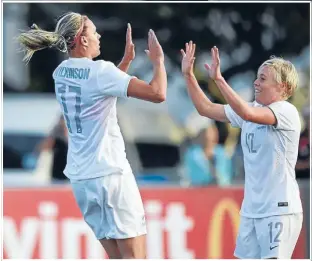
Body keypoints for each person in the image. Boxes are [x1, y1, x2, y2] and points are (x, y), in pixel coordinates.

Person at [17, 11, 167, 259]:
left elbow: (97, 92)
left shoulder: (61, 73)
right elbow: (157, 93)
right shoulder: (101, 71)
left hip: (83, 180)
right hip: (111, 175)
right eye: (94, 32)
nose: (98, 36)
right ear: (83, 40)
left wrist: (125, 64)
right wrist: (158, 61)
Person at [181, 41, 303, 259]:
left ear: (283, 87)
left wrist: (219, 79)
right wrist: (188, 75)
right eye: (257, 77)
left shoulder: (286, 111)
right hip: (251, 211)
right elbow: (205, 108)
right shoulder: (251, 108)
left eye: (263, 79)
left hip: (279, 209)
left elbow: (247, 114)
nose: (256, 83)